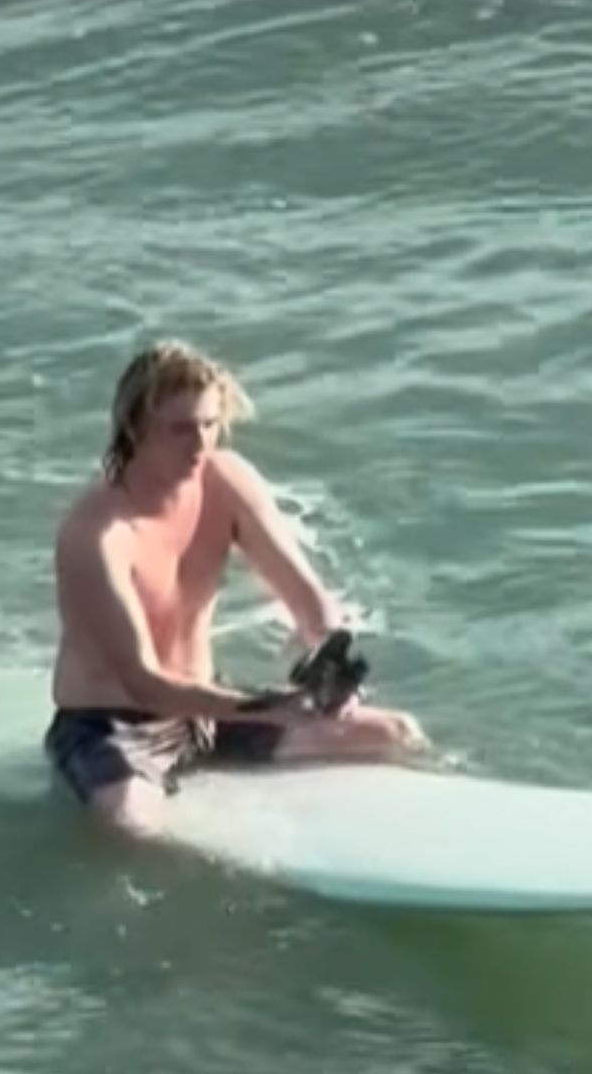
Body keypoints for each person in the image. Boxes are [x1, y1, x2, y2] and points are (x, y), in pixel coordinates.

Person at [46, 340, 428, 835]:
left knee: (393, 735)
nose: (200, 443)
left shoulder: (225, 481)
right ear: (135, 429)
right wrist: (275, 707)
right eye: (180, 429)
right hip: (115, 725)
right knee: (130, 823)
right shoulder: (97, 534)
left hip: (210, 708)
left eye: (209, 424)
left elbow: (309, 600)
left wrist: (329, 674)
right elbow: (144, 682)